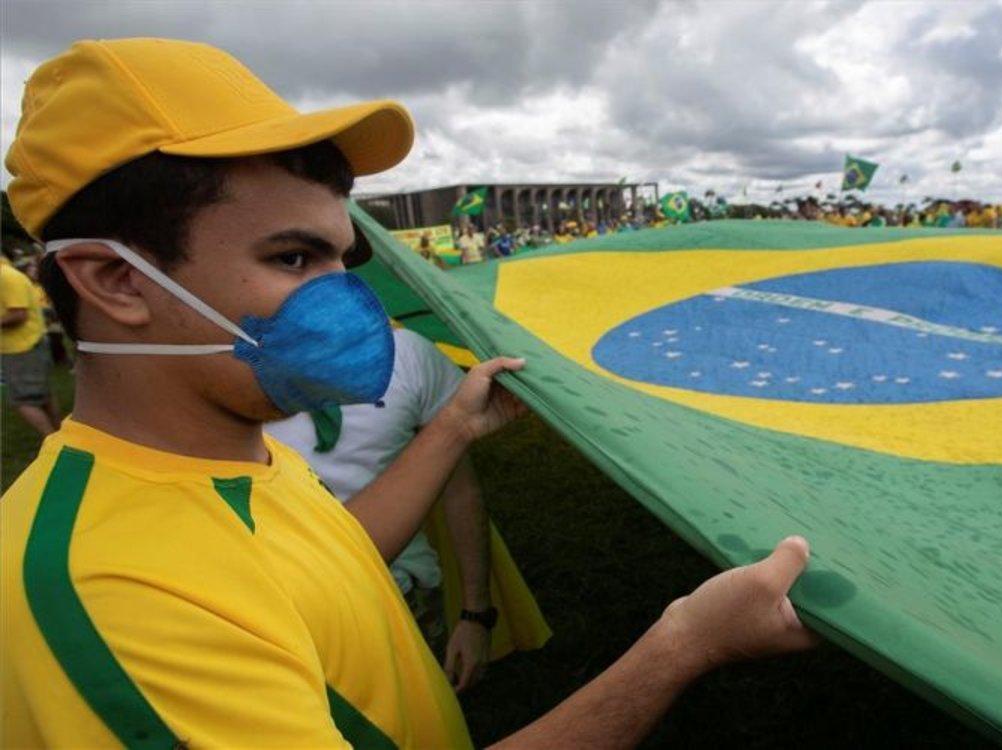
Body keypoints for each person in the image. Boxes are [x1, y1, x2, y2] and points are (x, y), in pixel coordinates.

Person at [1, 38, 818, 748]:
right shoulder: (107, 591)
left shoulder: (224, 455)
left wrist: (453, 429)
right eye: (293, 259)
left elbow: (326, 566)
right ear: (115, 281)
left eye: (340, 260)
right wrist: (682, 645)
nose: (351, 300)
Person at [266, 327, 549, 692]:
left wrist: (476, 615)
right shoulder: (222, 371)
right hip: (281, 616)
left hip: (403, 598)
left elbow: (460, 491)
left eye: (337, 264)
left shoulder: (407, 354)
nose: (323, 275)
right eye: (289, 264)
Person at [1, 246, 61, 436]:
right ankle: (59, 435)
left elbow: (18, 314)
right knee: (41, 395)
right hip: (26, 345)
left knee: (23, 401)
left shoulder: (6, 277)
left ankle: (51, 440)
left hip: (22, 347)